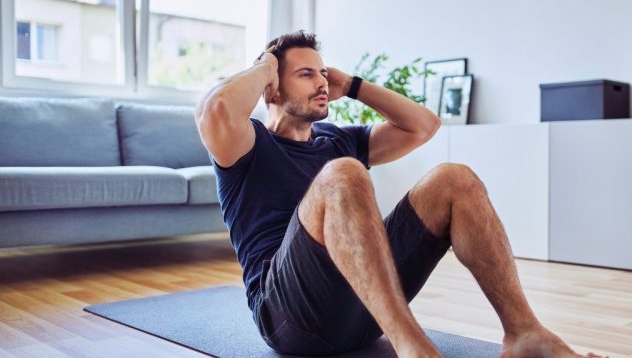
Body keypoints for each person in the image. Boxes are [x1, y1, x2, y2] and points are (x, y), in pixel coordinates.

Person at [195, 30, 604, 358]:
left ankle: (524, 333)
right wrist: (266, 63)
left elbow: (423, 126)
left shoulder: (336, 139)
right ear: (272, 88)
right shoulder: (247, 145)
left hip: (365, 311)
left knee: (454, 178)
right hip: (290, 318)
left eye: (323, 73)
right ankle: (413, 347)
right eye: (306, 74)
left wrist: (352, 85)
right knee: (343, 174)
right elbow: (215, 110)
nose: (322, 83)